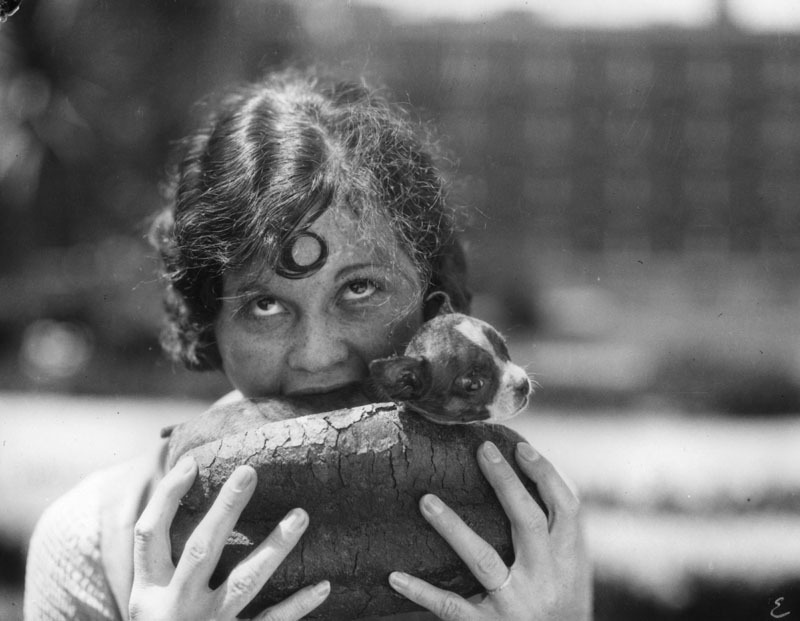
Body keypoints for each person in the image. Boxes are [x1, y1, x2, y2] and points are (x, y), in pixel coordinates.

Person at [24, 67, 592, 621]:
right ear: (208, 319)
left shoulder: (532, 530)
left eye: (360, 288)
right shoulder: (89, 543)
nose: (318, 356)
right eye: (264, 305)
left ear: (430, 291)